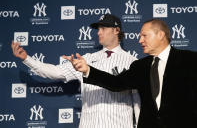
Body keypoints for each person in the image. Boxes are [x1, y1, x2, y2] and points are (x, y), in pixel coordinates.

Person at [11, 14, 140, 128]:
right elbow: (56, 72)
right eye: (98, 29)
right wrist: (26, 59)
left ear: (116, 30)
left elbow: (138, 101)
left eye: (103, 28)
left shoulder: (132, 62)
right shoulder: (86, 60)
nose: (99, 32)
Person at [65, 19, 197, 128]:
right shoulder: (140, 66)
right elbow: (116, 83)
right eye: (140, 36)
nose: (140, 40)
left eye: (144, 35)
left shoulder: (190, 60)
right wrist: (88, 70)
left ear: (160, 35)